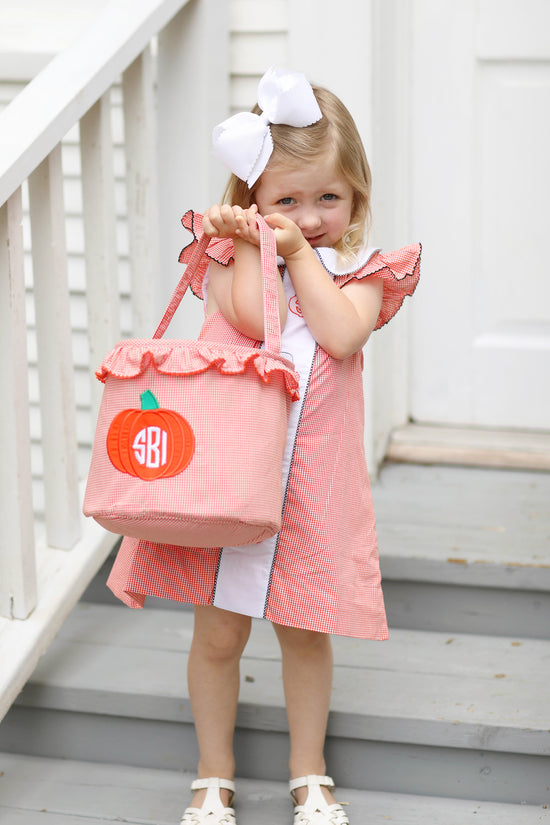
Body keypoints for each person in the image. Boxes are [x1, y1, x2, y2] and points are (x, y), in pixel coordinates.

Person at [107, 67, 420, 825]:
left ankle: (307, 769)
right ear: (251, 201)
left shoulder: (364, 272)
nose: (307, 218)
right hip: (228, 483)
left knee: (305, 632)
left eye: (327, 199)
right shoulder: (230, 260)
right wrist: (250, 244)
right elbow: (253, 318)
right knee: (217, 632)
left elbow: (341, 332)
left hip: (311, 490)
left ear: (355, 198)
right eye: (285, 200)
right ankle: (213, 771)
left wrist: (300, 256)